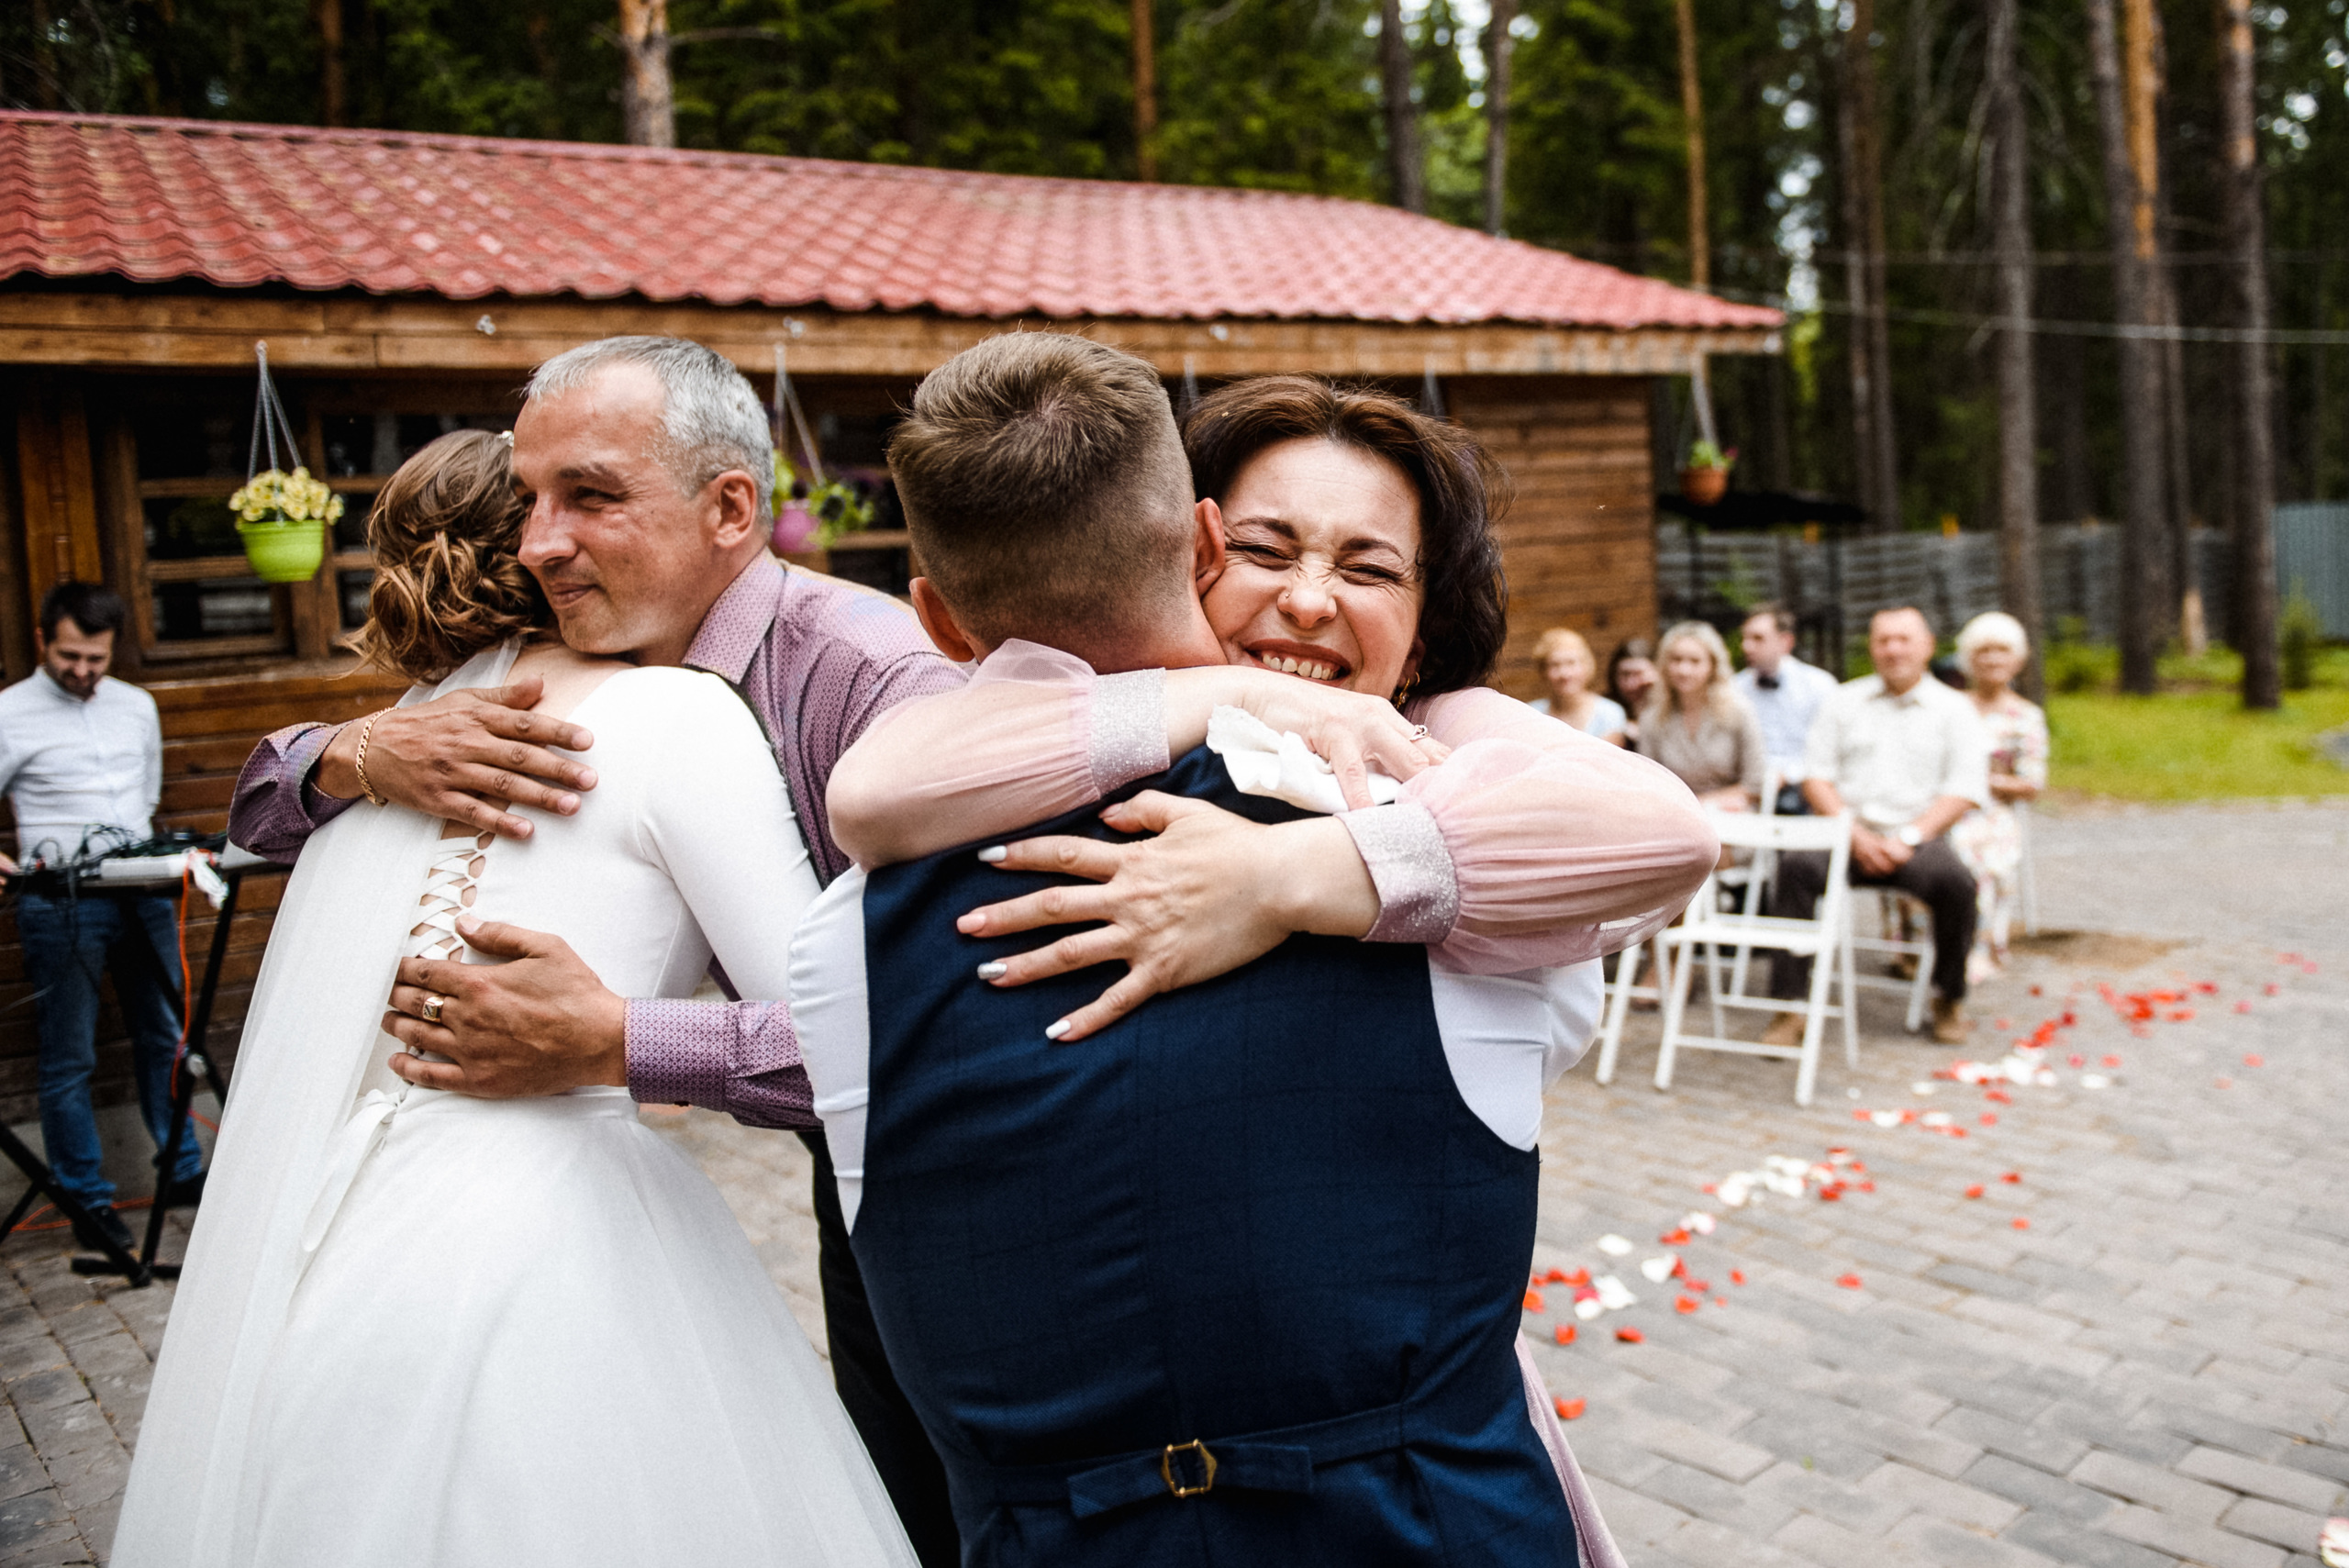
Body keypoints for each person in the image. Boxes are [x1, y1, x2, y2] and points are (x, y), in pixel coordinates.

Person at [796, 339, 1710, 1567]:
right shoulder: (943, 806)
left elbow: (1666, 828)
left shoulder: (1457, 770)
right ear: (1201, 547)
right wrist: (1245, 704)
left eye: (1370, 567)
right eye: (1273, 551)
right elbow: (869, 790)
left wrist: (1285, 877)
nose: (1313, 599)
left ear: (1430, 619)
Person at [221, 338, 969, 1563]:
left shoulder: (873, 680)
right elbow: (260, 806)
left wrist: (623, 1041)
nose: (536, 542)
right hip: (817, 1193)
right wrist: (350, 754)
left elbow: (932, 1037)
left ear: (734, 509)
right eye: (528, 500)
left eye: (591, 498)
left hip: (952, 1187)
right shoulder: (513, 700)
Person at [0, 581, 204, 1255]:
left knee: (164, 1034)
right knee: (70, 1054)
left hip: (142, 887)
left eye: (96, 658)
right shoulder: (10, 712)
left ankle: (183, 1171)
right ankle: (86, 1199)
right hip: (61, 903)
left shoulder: (135, 706)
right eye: (70, 657)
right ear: (41, 641)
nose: (84, 671)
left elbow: (143, 795)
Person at [1764, 606, 1989, 1047]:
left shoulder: (1954, 709)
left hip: (1918, 837)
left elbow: (1962, 790)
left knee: (1957, 885)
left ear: (1927, 646)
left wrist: (1907, 839)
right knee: (1793, 869)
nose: (1893, 649)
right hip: (1844, 832)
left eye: (1904, 639)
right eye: (1884, 640)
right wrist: (1855, 835)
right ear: (1871, 647)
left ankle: (1948, 996)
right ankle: (1789, 1006)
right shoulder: (1842, 701)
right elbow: (1816, 777)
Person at [1946, 611, 2047, 981]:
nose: (1992, 659)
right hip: (1942, 803)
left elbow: (2032, 784)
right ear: (1968, 659)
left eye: (2001, 650)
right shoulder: (1950, 706)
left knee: (1978, 848)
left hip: (1991, 808)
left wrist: (1982, 781)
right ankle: (1914, 948)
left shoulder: (2026, 716)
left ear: (2017, 660)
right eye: (1983, 650)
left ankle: (1978, 947)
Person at [1636, 620, 1767, 814]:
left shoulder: (1739, 711)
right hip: (1675, 813)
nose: (1684, 670)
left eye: (1695, 661)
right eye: (1676, 660)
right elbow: (1647, 781)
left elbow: (1755, 784)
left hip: (1731, 813)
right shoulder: (1652, 718)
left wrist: (1702, 805)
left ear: (1712, 665)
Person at [1734, 603, 1837, 812]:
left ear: (1785, 642)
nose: (1747, 646)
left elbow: (1829, 747)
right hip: (1752, 792)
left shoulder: (1819, 685)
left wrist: (1788, 774)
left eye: (1758, 639)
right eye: (1745, 638)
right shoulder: (1734, 688)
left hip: (1808, 791)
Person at [1528, 627, 1629, 743]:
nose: (1564, 674)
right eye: (1554, 665)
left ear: (1586, 666)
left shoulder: (1609, 713)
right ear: (1543, 672)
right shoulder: (1532, 713)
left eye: (1571, 663)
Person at [1604, 637, 1657, 750]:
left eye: (1638, 674)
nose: (1631, 684)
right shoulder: (1606, 709)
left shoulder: (1670, 710)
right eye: (1625, 674)